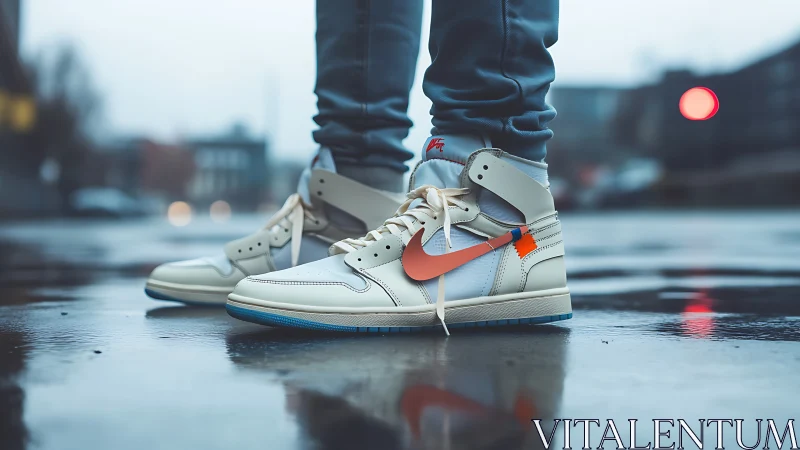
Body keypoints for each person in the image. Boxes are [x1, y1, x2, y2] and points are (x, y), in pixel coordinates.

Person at [147, 0, 570, 334]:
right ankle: (352, 184)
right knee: (357, 147)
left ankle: (500, 212)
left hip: (511, 224)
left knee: (483, 128)